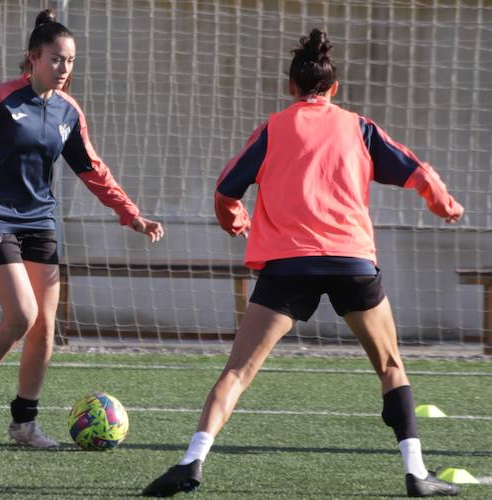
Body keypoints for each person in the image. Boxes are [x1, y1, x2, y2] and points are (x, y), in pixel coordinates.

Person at [142, 29, 462, 497]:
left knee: (236, 372)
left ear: (290, 88)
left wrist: (235, 221)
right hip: (352, 260)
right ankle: (416, 473)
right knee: (391, 365)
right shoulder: (359, 126)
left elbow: (225, 188)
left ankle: (191, 462)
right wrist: (444, 205)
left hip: (288, 265)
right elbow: (418, 171)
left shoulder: (273, 128)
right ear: (334, 89)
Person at [0, 9, 163, 448]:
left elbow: (92, 169)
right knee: (22, 315)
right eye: (55, 59)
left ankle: (23, 424)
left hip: (40, 220)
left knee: (45, 328)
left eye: (70, 61)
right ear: (32, 58)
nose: (64, 68)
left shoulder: (68, 112)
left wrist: (132, 214)